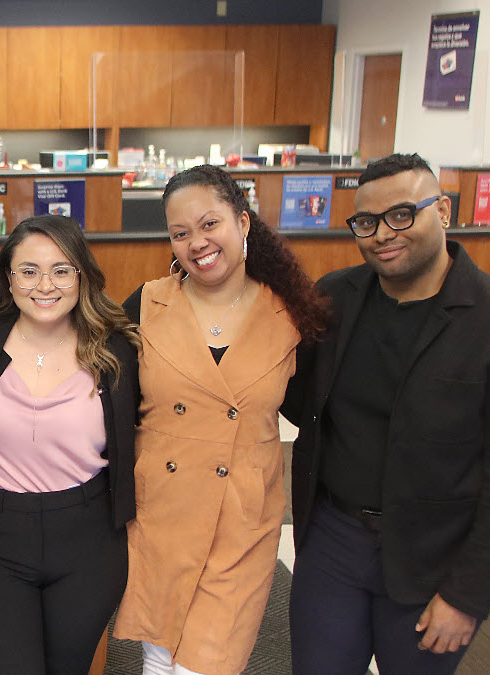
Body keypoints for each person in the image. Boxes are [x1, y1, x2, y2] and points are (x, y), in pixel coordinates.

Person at [283, 153, 490, 674]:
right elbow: (294, 396)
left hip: (436, 554)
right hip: (335, 540)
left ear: (445, 211)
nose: (384, 233)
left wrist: (468, 596)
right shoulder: (336, 299)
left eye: (403, 214)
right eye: (366, 222)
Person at [113, 165, 330, 675]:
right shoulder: (148, 304)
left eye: (210, 224)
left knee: (207, 665)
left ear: (243, 222)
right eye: (180, 233)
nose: (197, 243)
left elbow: (315, 411)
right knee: (158, 661)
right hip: (161, 514)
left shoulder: (290, 313)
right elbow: (109, 404)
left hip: (241, 521)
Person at [0, 215, 139, 674]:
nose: (45, 285)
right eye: (29, 271)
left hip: (89, 542)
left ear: (82, 277)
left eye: (61, 270)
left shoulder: (116, 349)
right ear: (8, 279)